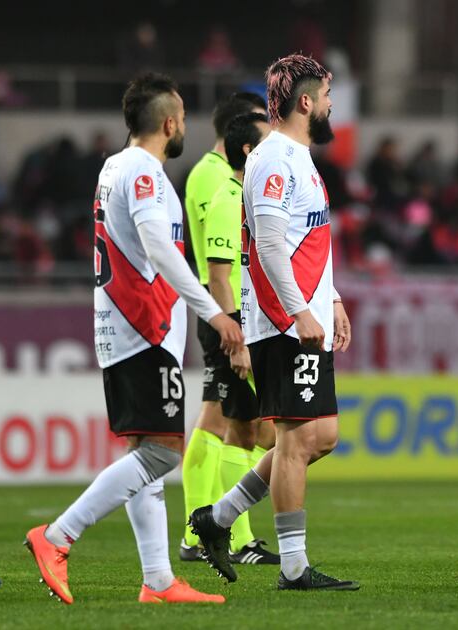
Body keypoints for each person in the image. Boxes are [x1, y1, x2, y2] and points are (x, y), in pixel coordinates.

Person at [24, 72, 242, 606]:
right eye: (184, 118)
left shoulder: (114, 168)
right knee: (163, 455)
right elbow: (161, 251)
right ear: (169, 122)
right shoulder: (144, 173)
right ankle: (57, 536)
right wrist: (215, 314)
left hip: (125, 328)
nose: (185, 125)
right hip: (143, 329)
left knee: (146, 453)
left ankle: (159, 579)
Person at [189, 53, 358, 591]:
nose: (332, 105)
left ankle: (216, 521)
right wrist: (301, 310)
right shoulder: (272, 159)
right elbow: (266, 245)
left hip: (305, 316)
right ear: (306, 102)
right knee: (294, 440)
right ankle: (293, 567)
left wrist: (330, 299)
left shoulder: (299, 157)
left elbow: (307, 243)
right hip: (283, 324)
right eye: (327, 96)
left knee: (320, 437)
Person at [179, 91, 270, 563]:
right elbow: (217, 263)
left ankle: (207, 530)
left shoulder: (214, 177)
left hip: (234, 312)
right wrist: (230, 326)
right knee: (231, 425)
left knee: (239, 426)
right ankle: (212, 532)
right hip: (226, 312)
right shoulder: (216, 181)